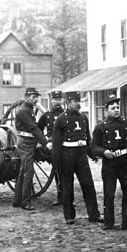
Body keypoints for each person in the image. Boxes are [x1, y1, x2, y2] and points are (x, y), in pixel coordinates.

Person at [51, 91, 101, 225]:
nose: (78, 104)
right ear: (68, 103)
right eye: (75, 101)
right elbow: (56, 145)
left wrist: (91, 154)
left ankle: (94, 214)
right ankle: (69, 216)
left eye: (79, 101)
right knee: (67, 186)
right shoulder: (61, 120)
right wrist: (57, 163)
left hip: (81, 156)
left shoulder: (83, 118)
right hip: (67, 156)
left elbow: (87, 138)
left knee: (88, 185)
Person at [92, 94, 127, 231]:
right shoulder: (101, 127)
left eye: (118, 107)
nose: (116, 110)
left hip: (124, 162)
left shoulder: (126, 123)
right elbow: (93, 146)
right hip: (109, 164)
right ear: (107, 110)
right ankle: (108, 222)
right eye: (113, 108)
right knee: (109, 193)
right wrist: (104, 152)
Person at [12, 87, 52, 211]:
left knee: (23, 172)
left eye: (37, 97)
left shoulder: (29, 109)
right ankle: (25, 202)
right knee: (28, 172)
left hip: (29, 142)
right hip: (25, 144)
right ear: (26, 97)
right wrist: (46, 143)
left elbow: (35, 127)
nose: (36, 100)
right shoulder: (23, 110)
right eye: (33, 97)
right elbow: (33, 128)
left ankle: (17, 200)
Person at [37, 90, 66, 206]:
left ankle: (68, 198)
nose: (57, 102)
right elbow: (38, 130)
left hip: (66, 146)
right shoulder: (47, 116)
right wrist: (43, 141)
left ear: (63, 101)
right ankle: (61, 198)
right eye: (55, 99)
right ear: (51, 101)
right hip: (53, 147)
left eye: (59, 99)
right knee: (58, 172)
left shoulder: (67, 115)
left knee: (67, 173)